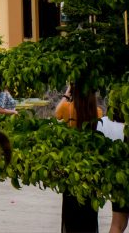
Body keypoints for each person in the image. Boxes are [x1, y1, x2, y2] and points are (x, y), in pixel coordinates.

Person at [55, 83, 102, 233]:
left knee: (71, 214)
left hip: (71, 168)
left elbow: (56, 113)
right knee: (89, 214)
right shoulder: (98, 112)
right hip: (90, 170)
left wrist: (67, 93)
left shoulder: (66, 109)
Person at [97, 107, 127, 233]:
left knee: (118, 225)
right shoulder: (126, 128)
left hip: (116, 179)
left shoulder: (102, 123)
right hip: (123, 175)